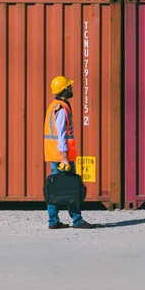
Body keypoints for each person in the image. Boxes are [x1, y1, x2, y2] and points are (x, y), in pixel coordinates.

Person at [45, 75, 99, 229]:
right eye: (69, 86)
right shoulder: (61, 109)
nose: (71, 88)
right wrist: (64, 159)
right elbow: (61, 134)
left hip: (54, 154)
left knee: (55, 188)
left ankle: (54, 221)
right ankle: (77, 220)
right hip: (61, 156)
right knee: (70, 186)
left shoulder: (54, 106)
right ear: (64, 90)